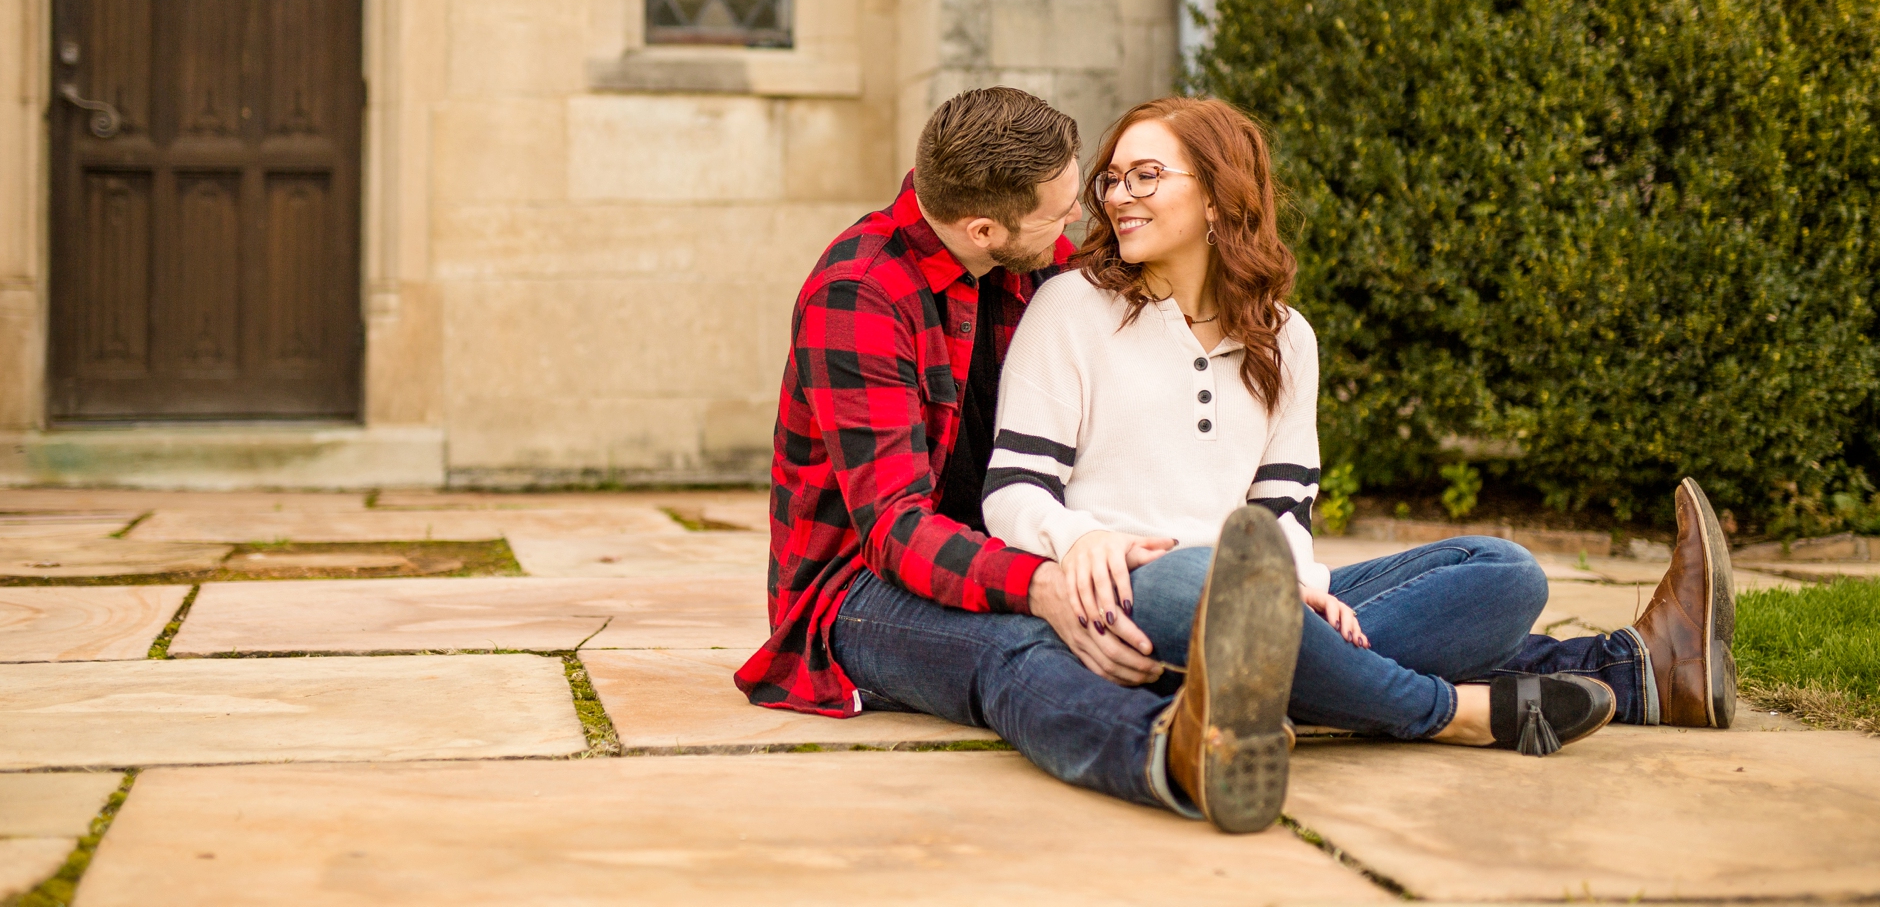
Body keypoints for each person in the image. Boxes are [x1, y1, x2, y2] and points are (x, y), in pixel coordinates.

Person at [737, 88, 1733, 832]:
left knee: (1480, 576)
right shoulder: (865, 294)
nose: (1083, 222)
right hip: (861, 590)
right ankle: (1199, 746)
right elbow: (897, 529)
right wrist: (1049, 576)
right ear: (987, 226)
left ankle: (1637, 673)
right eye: (1067, 205)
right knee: (1027, 654)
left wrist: (1295, 582)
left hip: (1120, 571)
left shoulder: (1025, 272)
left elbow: (1273, 502)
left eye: (1123, 180)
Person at [982, 95, 1735, 752]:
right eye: (1111, 179)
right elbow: (1013, 492)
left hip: (1255, 591)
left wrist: (1300, 584)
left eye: (1146, 175)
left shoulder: (1286, 337)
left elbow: (1280, 510)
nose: (1118, 196)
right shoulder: (1072, 309)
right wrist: (1080, 541)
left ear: (1218, 197)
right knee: (1197, 582)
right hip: (1137, 595)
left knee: (1504, 575)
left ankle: (1255, 686)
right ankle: (1450, 712)